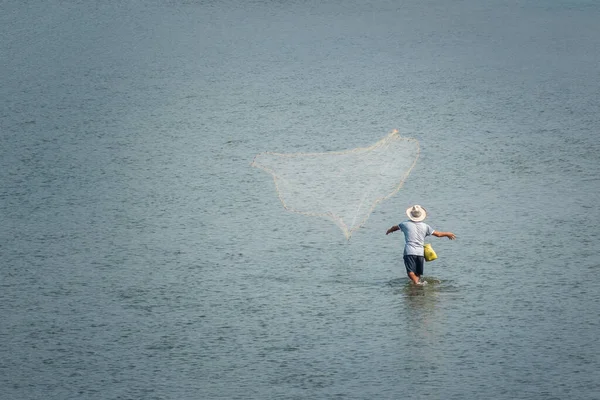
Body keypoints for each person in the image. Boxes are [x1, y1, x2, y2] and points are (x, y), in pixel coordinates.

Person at [386, 205, 456, 285]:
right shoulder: (425, 226)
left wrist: (389, 231)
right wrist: (447, 234)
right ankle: (417, 288)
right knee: (418, 274)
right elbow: (438, 234)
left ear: (411, 215)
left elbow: (395, 227)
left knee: (410, 273)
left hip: (410, 251)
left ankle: (417, 284)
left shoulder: (405, 224)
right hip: (420, 253)